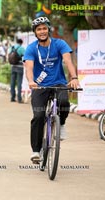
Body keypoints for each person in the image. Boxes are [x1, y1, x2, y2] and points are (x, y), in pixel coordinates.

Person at [23, 17, 80, 163]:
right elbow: (29, 67)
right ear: (35, 32)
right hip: (39, 86)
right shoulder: (31, 48)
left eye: (44, 28)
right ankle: (36, 150)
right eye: (38, 29)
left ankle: (61, 124)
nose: (42, 31)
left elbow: (68, 60)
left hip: (58, 83)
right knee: (38, 116)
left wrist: (74, 78)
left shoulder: (59, 43)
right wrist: (31, 81)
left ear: (48, 29)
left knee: (64, 102)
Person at [10, 38, 26, 103]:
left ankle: (12, 97)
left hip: (13, 66)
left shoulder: (12, 47)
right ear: (21, 43)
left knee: (12, 83)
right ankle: (19, 99)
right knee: (19, 83)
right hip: (19, 67)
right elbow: (26, 56)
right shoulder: (21, 48)